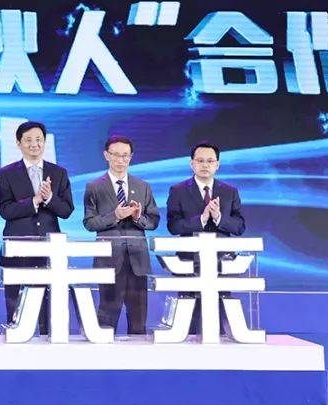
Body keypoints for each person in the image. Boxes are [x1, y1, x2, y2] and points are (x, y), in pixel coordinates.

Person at [0, 120, 74, 334]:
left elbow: (67, 210)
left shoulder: (58, 173)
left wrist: (49, 199)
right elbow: (5, 210)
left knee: (49, 309)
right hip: (17, 250)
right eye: (28, 140)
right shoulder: (6, 173)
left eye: (39, 139)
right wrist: (34, 201)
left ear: (45, 142)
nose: (34, 144)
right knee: (16, 307)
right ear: (18, 143)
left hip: (50, 251)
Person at [82, 136, 160, 335]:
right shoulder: (94, 187)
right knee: (107, 319)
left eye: (125, 156)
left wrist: (138, 217)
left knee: (138, 320)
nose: (121, 160)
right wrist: (114, 216)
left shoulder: (143, 186)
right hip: (109, 261)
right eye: (116, 155)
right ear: (106, 155)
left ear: (131, 157)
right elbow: (89, 223)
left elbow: (154, 221)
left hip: (138, 262)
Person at [166, 141, 246, 334]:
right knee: (189, 315)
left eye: (210, 161)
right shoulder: (178, 190)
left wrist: (218, 217)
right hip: (189, 262)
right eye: (200, 160)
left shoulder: (229, 191)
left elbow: (239, 226)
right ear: (191, 163)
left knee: (219, 312)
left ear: (217, 164)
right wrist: (201, 220)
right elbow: (173, 226)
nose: (205, 165)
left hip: (221, 263)